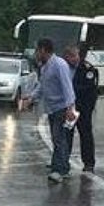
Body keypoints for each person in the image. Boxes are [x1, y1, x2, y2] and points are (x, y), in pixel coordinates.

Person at [25, 38, 77, 183]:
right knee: (56, 138)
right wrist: (31, 98)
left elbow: (67, 86)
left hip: (61, 107)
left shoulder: (59, 64)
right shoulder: (45, 66)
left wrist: (70, 107)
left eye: (37, 50)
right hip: (52, 108)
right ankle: (58, 165)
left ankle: (61, 170)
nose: (36, 54)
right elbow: (42, 86)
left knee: (59, 138)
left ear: (43, 50)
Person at [63, 45, 98, 173]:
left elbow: (89, 88)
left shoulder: (87, 69)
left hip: (83, 107)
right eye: (71, 56)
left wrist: (70, 89)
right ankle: (63, 160)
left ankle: (89, 162)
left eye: (76, 55)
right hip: (69, 107)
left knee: (86, 135)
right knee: (66, 135)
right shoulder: (64, 68)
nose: (74, 59)